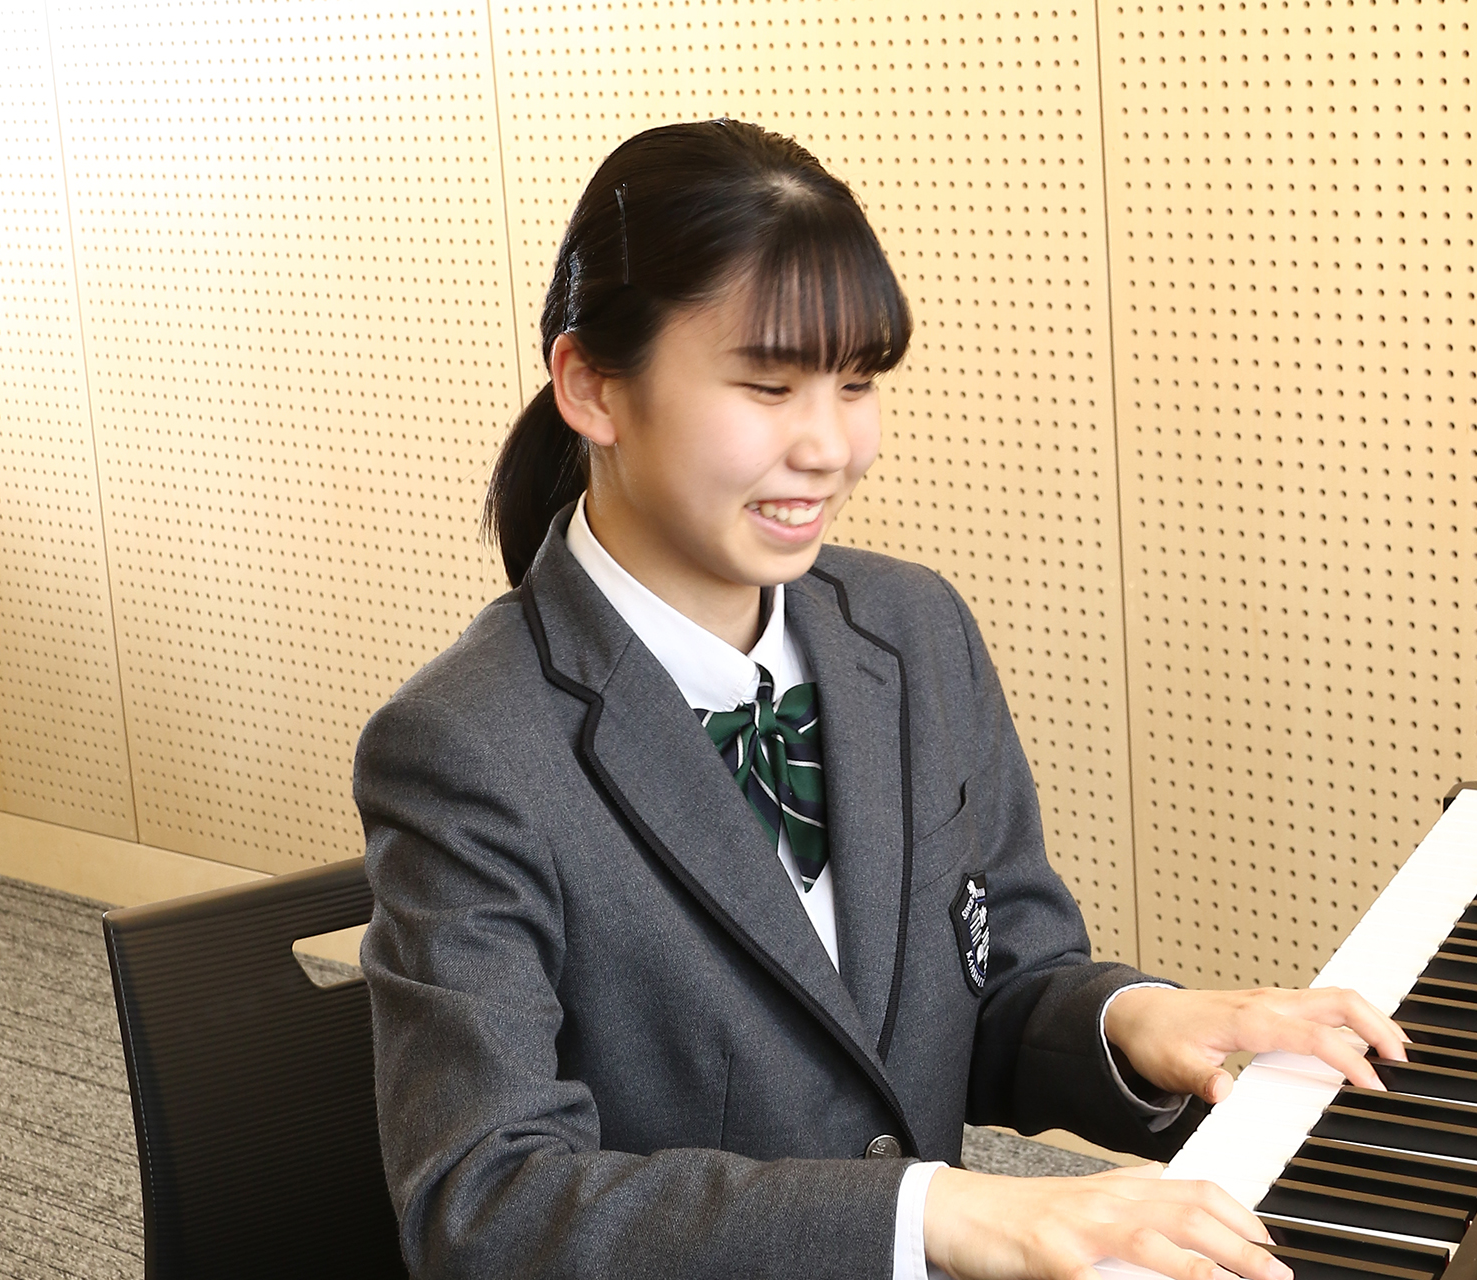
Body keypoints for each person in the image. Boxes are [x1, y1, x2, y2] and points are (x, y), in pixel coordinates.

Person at [355, 118, 1407, 1280]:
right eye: (767, 384)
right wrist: (930, 1213)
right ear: (592, 386)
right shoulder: (464, 745)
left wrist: (1138, 1022)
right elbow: (489, 1204)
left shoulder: (913, 629)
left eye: (856, 384)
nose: (831, 445)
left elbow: (994, 977)